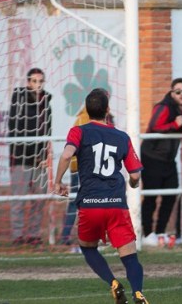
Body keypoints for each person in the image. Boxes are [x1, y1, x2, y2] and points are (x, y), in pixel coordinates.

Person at [52, 88, 149, 304]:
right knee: (129, 255)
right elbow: (134, 174)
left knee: (88, 248)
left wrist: (58, 182)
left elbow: (67, 155)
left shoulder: (79, 131)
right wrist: (133, 184)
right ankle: (139, 293)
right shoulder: (122, 137)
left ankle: (113, 283)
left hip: (90, 204)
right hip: (116, 204)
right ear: (107, 109)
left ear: (87, 110)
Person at [140, 78, 182, 246]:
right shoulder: (163, 106)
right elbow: (154, 127)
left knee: (170, 195)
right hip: (152, 158)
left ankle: (160, 231)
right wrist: (175, 124)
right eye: (178, 91)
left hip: (169, 160)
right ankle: (147, 234)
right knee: (150, 197)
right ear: (172, 93)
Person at [59, 89, 115, 249]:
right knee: (80, 202)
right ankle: (67, 236)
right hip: (83, 168)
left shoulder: (106, 118)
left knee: (95, 202)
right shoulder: (84, 119)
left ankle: (97, 235)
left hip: (96, 168)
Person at [7, 67, 52, 246]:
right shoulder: (18, 99)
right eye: (34, 81)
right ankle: (18, 234)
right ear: (28, 82)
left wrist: (44, 153)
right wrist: (24, 154)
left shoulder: (47, 101)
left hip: (39, 159)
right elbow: (14, 129)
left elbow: (48, 129)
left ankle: (34, 234)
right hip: (21, 158)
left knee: (39, 198)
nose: (38, 85)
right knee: (19, 198)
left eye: (40, 81)